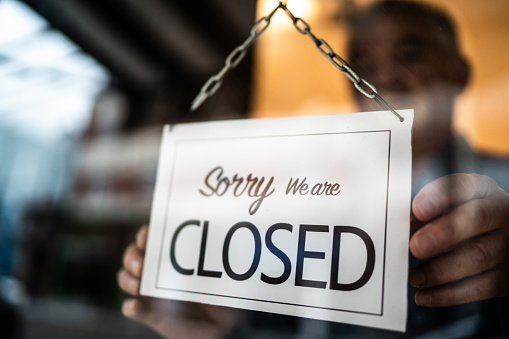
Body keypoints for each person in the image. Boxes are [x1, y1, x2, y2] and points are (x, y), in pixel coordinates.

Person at [118, 1, 509, 337]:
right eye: (363, 65)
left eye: (409, 55)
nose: (383, 78)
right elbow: (271, 319)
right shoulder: (303, 202)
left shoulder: (503, 195)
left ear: (459, 72)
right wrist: (213, 325)